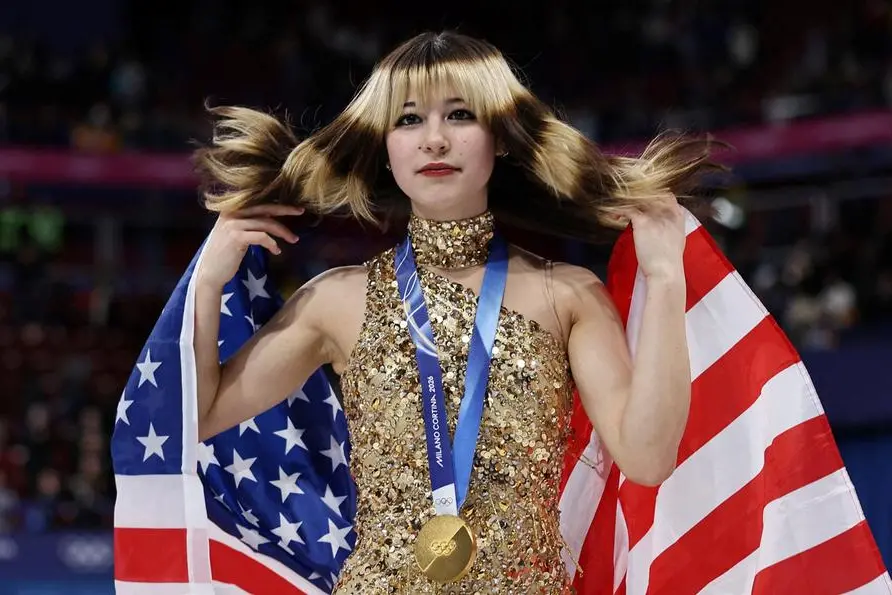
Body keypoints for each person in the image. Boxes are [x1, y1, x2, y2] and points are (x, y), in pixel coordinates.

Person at [191, 31, 719, 593]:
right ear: (381, 145)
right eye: (409, 120)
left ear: (503, 137)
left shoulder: (568, 295)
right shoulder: (333, 301)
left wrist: (665, 278)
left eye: (461, 115)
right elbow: (196, 417)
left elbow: (649, 457)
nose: (434, 140)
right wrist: (206, 282)